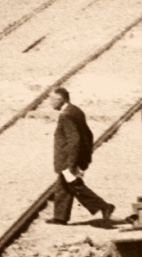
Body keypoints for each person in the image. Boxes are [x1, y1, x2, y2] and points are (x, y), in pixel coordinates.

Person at [46, 86, 115, 225]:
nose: (50, 102)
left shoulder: (66, 115)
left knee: (76, 186)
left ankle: (104, 206)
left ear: (60, 99)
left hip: (68, 159)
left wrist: (71, 163)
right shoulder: (75, 110)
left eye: (52, 99)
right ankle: (60, 217)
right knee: (62, 187)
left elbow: (74, 139)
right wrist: (85, 155)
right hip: (76, 157)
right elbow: (88, 134)